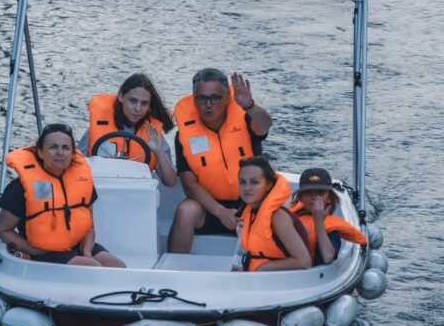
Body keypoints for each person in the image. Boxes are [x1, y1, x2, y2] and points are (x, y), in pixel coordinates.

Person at [167, 68, 273, 253]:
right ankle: (174, 272)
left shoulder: (246, 119)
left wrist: (250, 106)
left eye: (215, 98)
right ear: (194, 99)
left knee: (272, 216)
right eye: (201, 98)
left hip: (249, 203)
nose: (208, 104)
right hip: (209, 207)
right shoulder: (184, 135)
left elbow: (265, 125)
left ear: (226, 98)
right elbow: (189, 185)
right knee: (186, 210)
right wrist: (220, 212)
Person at [0, 123, 125, 267]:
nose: (60, 153)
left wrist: (87, 250)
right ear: (40, 152)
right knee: (92, 268)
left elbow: (89, 227)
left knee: (118, 266)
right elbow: (2, 229)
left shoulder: (83, 181)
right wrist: (33, 251)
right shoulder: (21, 188)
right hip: (45, 253)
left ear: (72, 153)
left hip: (79, 246)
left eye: (65, 147)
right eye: (53, 147)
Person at [82, 73, 177, 187]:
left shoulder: (153, 134)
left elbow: (170, 182)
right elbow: (75, 167)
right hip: (103, 191)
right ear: (121, 97)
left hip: (137, 194)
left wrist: (159, 152)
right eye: (133, 100)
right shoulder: (97, 128)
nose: (138, 109)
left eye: (144, 103)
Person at [234, 157, 311, 271]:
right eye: (242, 182)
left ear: (269, 185)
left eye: (254, 182)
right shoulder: (250, 213)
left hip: (279, 281)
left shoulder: (278, 217)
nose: (247, 188)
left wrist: (263, 268)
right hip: (256, 278)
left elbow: (304, 261)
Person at [290, 167, 367, 265]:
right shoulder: (289, 219)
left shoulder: (332, 229)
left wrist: (318, 222)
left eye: (320, 192)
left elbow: (327, 257)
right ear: (301, 197)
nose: (314, 197)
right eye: (308, 192)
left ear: (329, 198)